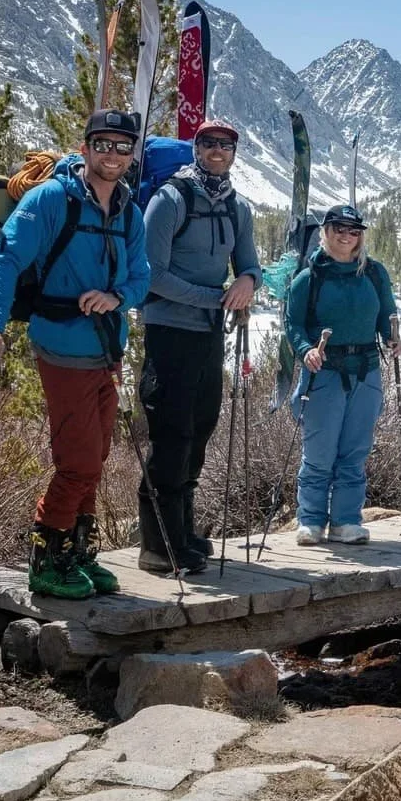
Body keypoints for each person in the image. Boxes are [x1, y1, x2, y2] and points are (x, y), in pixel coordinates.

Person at [0, 108, 150, 600]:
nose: (112, 155)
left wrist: (117, 296)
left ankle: (77, 553)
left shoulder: (129, 212)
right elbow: (5, 256)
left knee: (96, 455)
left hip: (108, 351)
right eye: (103, 144)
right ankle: (46, 560)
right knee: (78, 461)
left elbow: (141, 277)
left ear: (132, 153)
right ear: (87, 146)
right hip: (63, 346)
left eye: (122, 146)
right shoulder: (51, 198)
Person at [136, 118, 261, 575]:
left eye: (226, 145)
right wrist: (217, 298)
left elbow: (249, 265)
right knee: (172, 434)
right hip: (169, 330)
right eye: (208, 143)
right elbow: (152, 274)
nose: (217, 151)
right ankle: (157, 544)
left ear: (234, 152)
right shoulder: (170, 198)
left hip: (208, 334)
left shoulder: (236, 207)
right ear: (196, 147)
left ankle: (183, 533)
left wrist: (247, 282)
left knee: (201, 426)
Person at [283, 204, 401, 545]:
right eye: (339, 228)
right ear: (325, 231)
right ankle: (311, 520)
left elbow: (386, 315)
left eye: (354, 230)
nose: (346, 236)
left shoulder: (374, 274)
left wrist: (393, 339)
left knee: (355, 449)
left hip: (366, 370)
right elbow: (293, 325)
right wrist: (306, 350)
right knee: (319, 451)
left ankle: (347, 520)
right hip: (324, 372)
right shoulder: (309, 278)